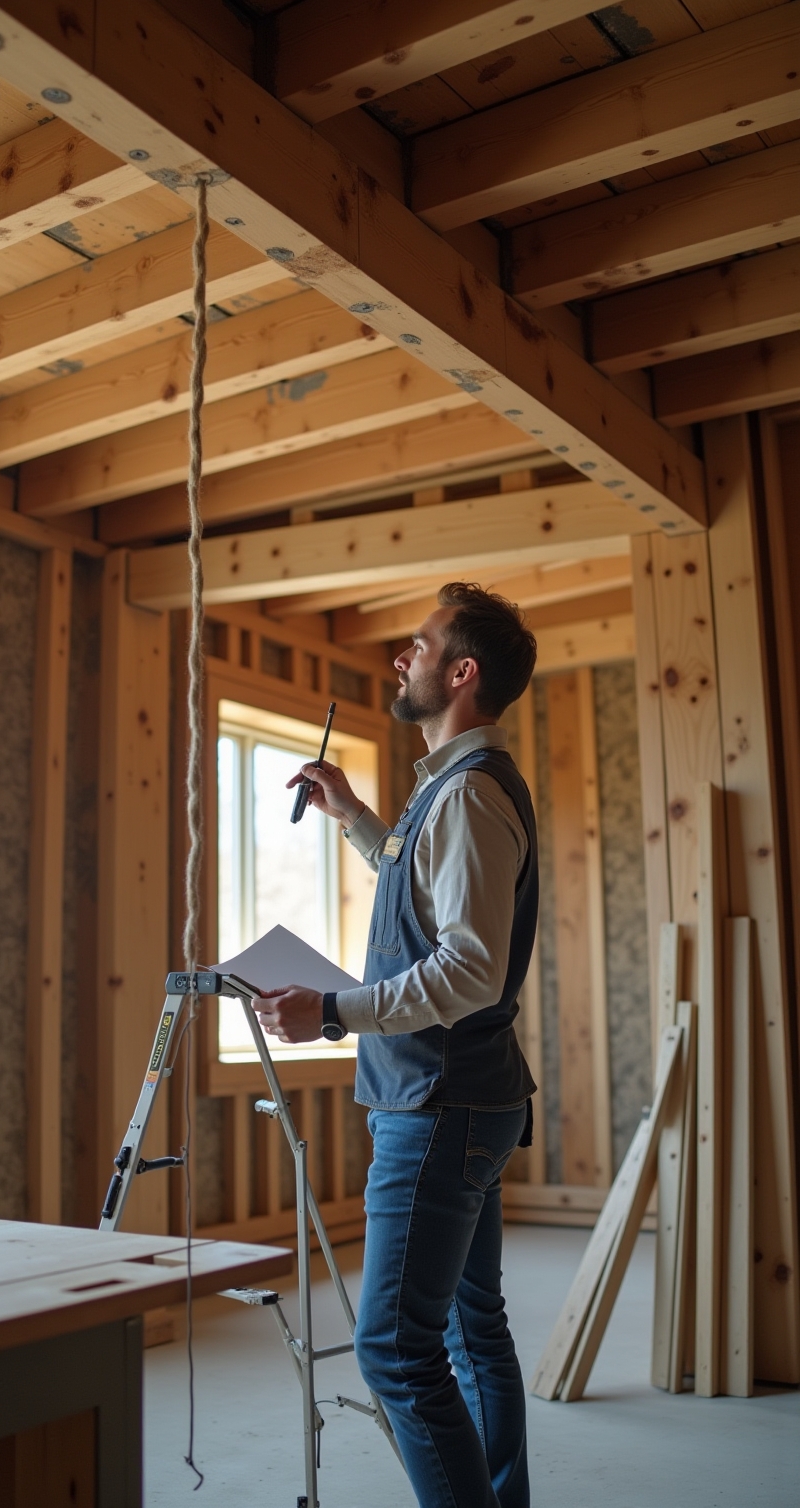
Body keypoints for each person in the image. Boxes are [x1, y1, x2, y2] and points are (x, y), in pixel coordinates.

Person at [251, 581, 539, 1508]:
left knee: (394, 1350)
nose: (399, 657)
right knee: (470, 1330)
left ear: (461, 673)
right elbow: (422, 883)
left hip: (438, 1106)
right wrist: (355, 818)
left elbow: (469, 972)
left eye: (419, 644)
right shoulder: (453, 790)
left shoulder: (467, 796)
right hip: (466, 1098)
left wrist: (333, 1011)